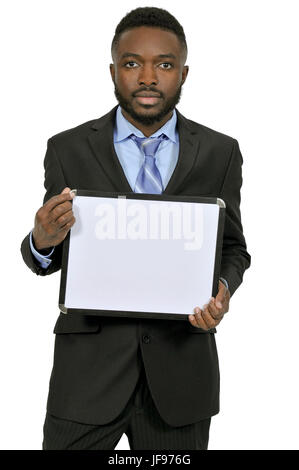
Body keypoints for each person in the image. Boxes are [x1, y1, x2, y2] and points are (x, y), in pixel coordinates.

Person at [21, 7, 251, 450]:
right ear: (113, 71)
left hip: (181, 376)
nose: (148, 77)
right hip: (87, 377)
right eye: (132, 64)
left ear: (183, 73)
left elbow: (234, 248)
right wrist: (43, 242)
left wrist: (221, 288)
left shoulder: (220, 153)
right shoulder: (67, 148)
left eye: (164, 64)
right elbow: (44, 255)